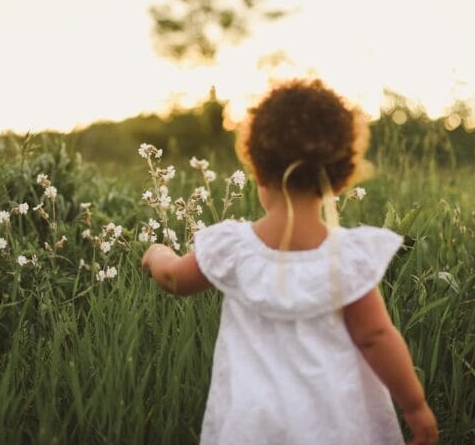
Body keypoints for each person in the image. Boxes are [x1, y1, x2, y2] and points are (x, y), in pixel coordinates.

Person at [141, 79, 439, 444]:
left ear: (256, 167)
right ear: (340, 180)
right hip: (335, 426)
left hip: (253, 426)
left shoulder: (233, 247)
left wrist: (157, 254)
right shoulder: (345, 259)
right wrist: (415, 406)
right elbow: (376, 336)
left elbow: (173, 279)